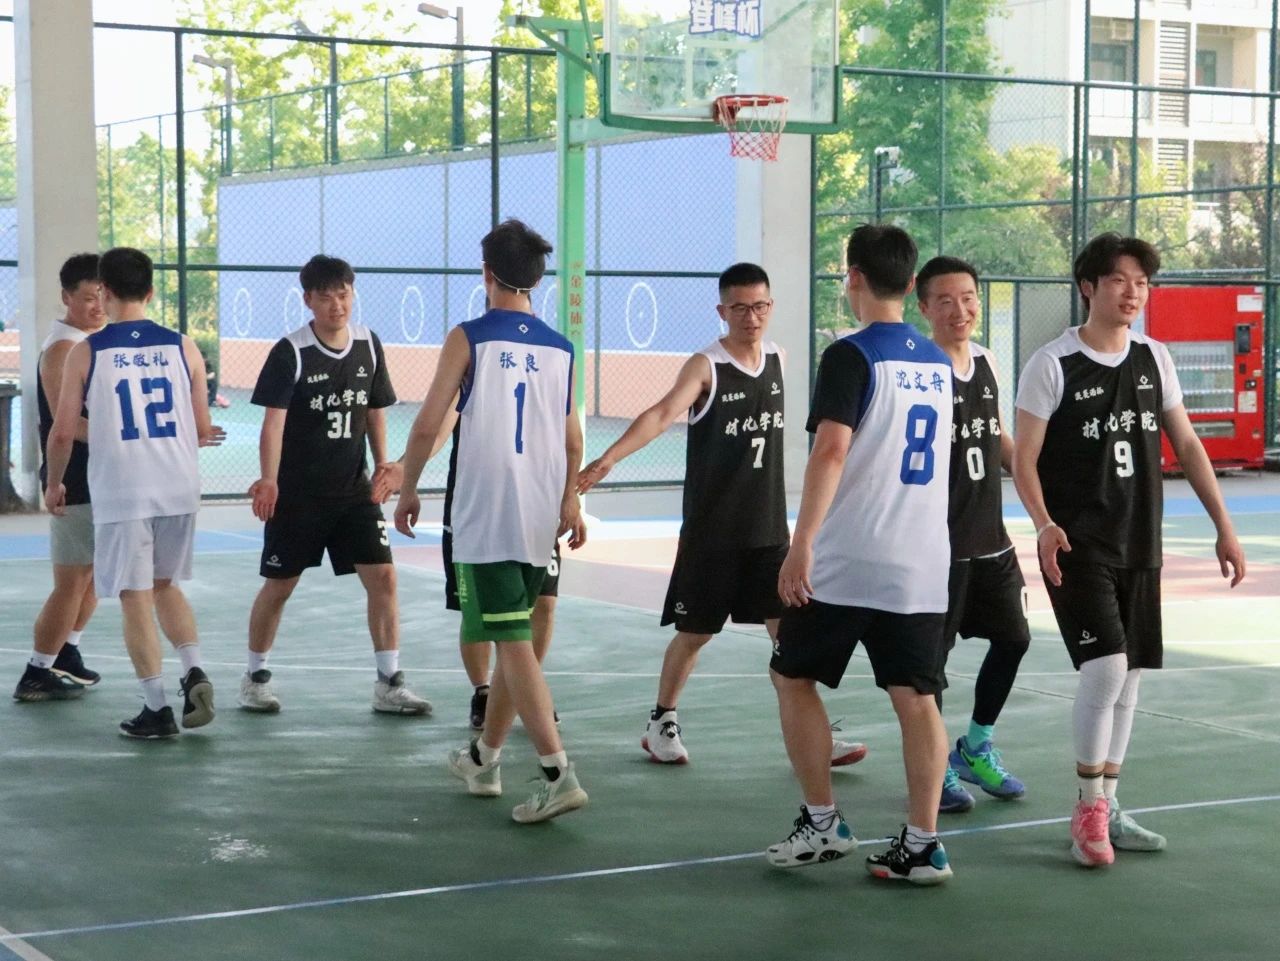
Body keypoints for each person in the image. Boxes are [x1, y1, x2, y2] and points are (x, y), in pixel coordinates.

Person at [1012, 232, 1246, 868]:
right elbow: (1024, 458)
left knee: (1132, 672)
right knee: (1107, 667)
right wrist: (1042, 523)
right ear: (1088, 287)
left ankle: (1108, 804)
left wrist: (1224, 525)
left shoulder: (1153, 358)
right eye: (1119, 280)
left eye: (1142, 282)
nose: (1133, 292)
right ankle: (1088, 806)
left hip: (1140, 538)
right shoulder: (1053, 364)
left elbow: (1188, 445)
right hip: (1076, 542)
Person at [577, 262, 866, 769]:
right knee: (695, 635)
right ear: (722, 310)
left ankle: (815, 733)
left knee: (789, 637)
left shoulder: (778, 358)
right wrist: (609, 458)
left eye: (759, 306)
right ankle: (661, 720)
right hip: (713, 533)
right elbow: (661, 414)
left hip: (769, 533)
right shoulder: (705, 366)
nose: (751, 317)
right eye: (740, 308)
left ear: (770, 307)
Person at [767, 224, 955, 884]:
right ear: (912, 284)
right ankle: (923, 843)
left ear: (853, 278)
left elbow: (831, 450)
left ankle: (823, 821)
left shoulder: (850, 355)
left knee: (792, 676)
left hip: (851, 560)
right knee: (917, 698)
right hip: (922, 563)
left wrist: (800, 544)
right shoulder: (939, 363)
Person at [392, 219, 587, 824]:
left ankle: (558, 773)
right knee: (512, 636)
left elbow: (427, 424)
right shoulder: (561, 347)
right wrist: (571, 501)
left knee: (513, 642)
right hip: (539, 514)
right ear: (537, 279)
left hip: (488, 512)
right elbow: (572, 439)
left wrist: (409, 486)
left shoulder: (469, 337)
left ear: (487, 274)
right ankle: (485, 757)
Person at [242, 255, 430, 717]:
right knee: (279, 586)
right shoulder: (291, 351)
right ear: (308, 300)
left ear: (352, 294)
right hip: (299, 495)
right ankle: (255, 676)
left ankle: (389, 682)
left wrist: (384, 463)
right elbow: (273, 424)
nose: (336, 305)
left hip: (353, 492)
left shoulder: (368, 344)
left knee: (384, 578)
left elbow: (374, 409)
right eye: (325, 297)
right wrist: (269, 479)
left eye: (343, 294)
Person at [44, 246, 220, 739]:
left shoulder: (87, 351)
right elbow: (203, 428)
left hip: (124, 489)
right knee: (166, 586)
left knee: (134, 596)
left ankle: (157, 707)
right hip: (179, 485)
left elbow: (62, 431)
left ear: (104, 291)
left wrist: (55, 483)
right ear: (150, 291)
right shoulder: (184, 347)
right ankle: (194, 668)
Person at [917, 256, 1030, 812]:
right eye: (945, 300)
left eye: (967, 298)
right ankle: (935, 765)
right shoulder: (919, 370)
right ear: (923, 308)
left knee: (1015, 639)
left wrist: (1034, 471)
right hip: (937, 546)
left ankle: (975, 745)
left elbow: (997, 436)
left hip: (992, 540)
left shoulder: (986, 360)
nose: (959, 310)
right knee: (930, 667)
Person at [373, 408, 563, 730]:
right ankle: (485, 692)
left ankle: (520, 688)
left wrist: (568, 496)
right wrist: (406, 470)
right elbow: (436, 427)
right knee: (477, 609)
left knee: (543, 603)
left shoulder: (551, 373)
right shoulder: (472, 374)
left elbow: (566, 437)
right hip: (477, 506)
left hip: (535, 504)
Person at [14, 254, 105, 702]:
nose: (98, 305)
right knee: (72, 580)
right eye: (88, 297)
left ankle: (66, 651)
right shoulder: (63, 349)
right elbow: (68, 425)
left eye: (103, 295)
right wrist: (131, 435)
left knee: (95, 575)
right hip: (74, 477)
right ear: (66, 297)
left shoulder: (91, 342)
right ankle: (36, 672)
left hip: (99, 474)